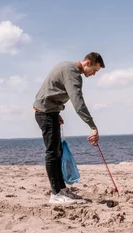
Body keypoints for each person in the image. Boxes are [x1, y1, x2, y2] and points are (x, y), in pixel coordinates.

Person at [33, 52, 105, 204]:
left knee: (57, 152)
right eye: (95, 70)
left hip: (49, 112)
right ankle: (55, 194)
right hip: (45, 114)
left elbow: (50, 90)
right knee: (52, 153)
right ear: (87, 63)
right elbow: (78, 104)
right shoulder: (73, 74)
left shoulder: (67, 66)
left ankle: (61, 189)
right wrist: (93, 126)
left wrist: (55, 110)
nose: (94, 75)